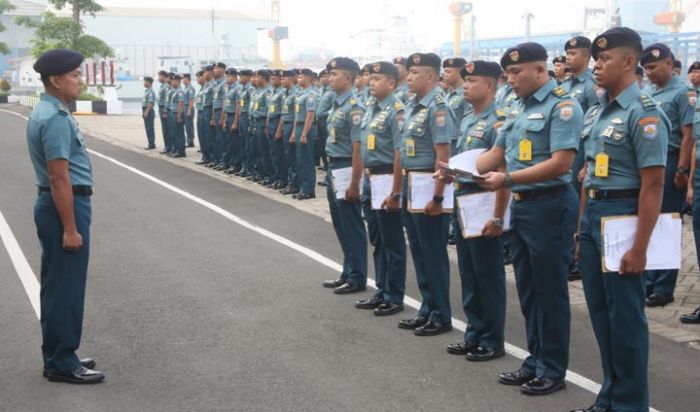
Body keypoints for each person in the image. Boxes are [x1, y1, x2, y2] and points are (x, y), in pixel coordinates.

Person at [570, 27, 670, 412]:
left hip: (624, 219)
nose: (597, 66)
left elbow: (654, 185)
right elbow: (588, 175)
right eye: (596, 59)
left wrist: (640, 247)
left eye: (605, 59)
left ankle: (630, 404)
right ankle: (609, 396)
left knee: (625, 320)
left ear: (629, 62)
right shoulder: (597, 111)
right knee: (601, 315)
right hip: (595, 217)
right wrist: (582, 230)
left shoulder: (644, 114)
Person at [476, 42, 583, 396]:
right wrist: (458, 173)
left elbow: (561, 164)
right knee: (528, 289)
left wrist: (506, 179)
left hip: (550, 205)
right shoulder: (516, 108)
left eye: (516, 72)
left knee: (549, 291)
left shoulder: (563, 107)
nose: (510, 79)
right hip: (522, 206)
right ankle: (535, 360)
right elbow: (496, 153)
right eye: (507, 73)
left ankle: (552, 368)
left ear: (540, 70)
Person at [27, 48, 104, 384]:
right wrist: (71, 228)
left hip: (58, 204)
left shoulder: (49, 110)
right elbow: (59, 176)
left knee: (57, 286)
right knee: (66, 288)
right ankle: (61, 362)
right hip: (64, 206)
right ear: (56, 80)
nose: (80, 80)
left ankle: (59, 353)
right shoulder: (54, 118)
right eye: (74, 75)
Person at [442, 60, 508, 361]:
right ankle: (474, 332)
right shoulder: (469, 118)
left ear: (491, 85)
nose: (465, 85)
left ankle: (492, 339)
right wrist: (450, 172)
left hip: (484, 201)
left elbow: (504, 171)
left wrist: (498, 216)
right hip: (464, 200)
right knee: (469, 271)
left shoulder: (500, 121)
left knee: (487, 274)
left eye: (473, 80)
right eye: (464, 80)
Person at [395, 52, 455, 337]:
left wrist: (438, 197)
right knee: (419, 252)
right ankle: (427, 308)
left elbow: (443, 157)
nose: (408, 77)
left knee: (433, 254)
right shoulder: (412, 106)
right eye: (409, 72)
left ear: (431, 77)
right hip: (411, 184)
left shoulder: (438, 109)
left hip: (428, 186)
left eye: (415, 72)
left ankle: (441, 314)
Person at [641, 43, 694, 307]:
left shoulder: (683, 92)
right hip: (650, 163)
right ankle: (649, 280)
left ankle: (664, 287)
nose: (648, 72)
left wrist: (682, 169)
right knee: (650, 222)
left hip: (672, 162)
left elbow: (688, 135)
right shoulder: (647, 92)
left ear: (669, 64)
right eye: (646, 68)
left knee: (667, 225)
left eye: (652, 67)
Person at [354, 61, 406, 315]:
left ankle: (394, 295)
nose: (371, 82)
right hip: (371, 179)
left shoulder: (397, 111)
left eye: (377, 79)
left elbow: (399, 153)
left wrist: (396, 191)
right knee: (377, 239)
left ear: (391, 83)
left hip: (387, 177)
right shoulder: (370, 108)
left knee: (392, 241)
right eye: (370, 78)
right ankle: (382, 289)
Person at [320, 57, 368, 294]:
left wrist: (355, 182)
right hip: (334, 167)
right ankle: (348, 271)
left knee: (351, 224)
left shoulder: (354, 106)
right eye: (330, 74)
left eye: (335, 74)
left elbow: (358, 148)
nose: (330, 78)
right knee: (340, 224)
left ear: (348, 78)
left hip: (347, 167)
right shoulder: (337, 103)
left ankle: (358, 276)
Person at [562, 35, 598, 281]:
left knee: (578, 205)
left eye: (573, 54)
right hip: (566, 150)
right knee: (568, 204)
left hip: (582, 152)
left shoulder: (592, 84)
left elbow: (597, 118)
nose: (568, 57)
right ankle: (568, 253)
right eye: (567, 53)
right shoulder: (565, 85)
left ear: (586, 56)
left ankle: (577, 257)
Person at [290, 68, 318, 200]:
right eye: (298, 77)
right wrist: (295, 132)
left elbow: (310, 116)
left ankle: (308, 189)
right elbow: (297, 115)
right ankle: (302, 187)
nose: (299, 79)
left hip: (307, 128)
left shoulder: (310, 95)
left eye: (301, 77)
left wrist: (304, 134)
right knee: (300, 160)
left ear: (309, 78)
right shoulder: (300, 94)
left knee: (307, 160)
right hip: (299, 127)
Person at [278, 70, 299, 194]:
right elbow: (283, 113)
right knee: (287, 155)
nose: (282, 81)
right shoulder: (285, 94)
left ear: (291, 79)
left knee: (292, 157)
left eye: (284, 79)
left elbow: (297, 115)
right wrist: (280, 129)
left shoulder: (295, 94)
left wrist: (293, 133)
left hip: (291, 126)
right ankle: (290, 182)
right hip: (285, 125)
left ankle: (294, 184)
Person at [221, 68, 240, 174]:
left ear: (234, 77)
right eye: (226, 76)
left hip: (233, 116)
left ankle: (235, 164)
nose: (227, 78)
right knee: (228, 142)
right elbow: (225, 103)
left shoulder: (237, 89)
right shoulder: (227, 88)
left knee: (234, 143)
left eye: (229, 76)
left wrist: (235, 122)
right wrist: (223, 119)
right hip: (228, 116)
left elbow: (238, 106)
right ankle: (228, 162)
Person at [196, 66, 214, 165]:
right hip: (201, 111)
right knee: (202, 135)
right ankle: (205, 156)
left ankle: (210, 157)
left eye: (205, 72)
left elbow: (213, 102)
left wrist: (212, 116)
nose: (204, 74)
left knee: (208, 136)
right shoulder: (205, 87)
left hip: (207, 112)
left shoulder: (212, 85)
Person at [168, 74, 186, 158]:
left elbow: (180, 104)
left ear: (178, 81)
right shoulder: (174, 91)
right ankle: (176, 148)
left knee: (179, 133)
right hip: (172, 112)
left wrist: (179, 116)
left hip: (176, 113)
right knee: (174, 132)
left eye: (173, 81)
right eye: (171, 81)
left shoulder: (180, 91)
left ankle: (181, 150)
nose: (172, 82)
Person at [156, 70, 170, 154]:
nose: (158, 78)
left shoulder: (166, 87)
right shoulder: (162, 86)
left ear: (164, 76)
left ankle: (168, 146)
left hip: (164, 109)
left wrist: (165, 110)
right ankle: (167, 145)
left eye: (160, 76)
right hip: (161, 108)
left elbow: (166, 100)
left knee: (166, 129)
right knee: (164, 128)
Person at [142, 76, 156, 150]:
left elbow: (151, 103)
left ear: (149, 82)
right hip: (145, 109)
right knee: (147, 128)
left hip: (148, 110)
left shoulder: (150, 92)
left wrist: (146, 111)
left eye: (145, 81)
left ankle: (151, 143)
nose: (144, 83)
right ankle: (150, 142)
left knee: (150, 127)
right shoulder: (147, 91)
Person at [182, 73, 196, 148]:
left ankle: (190, 141)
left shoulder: (190, 88)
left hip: (188, 107)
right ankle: (188, 140)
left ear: (187, 79)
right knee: (186, 126)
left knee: (189, 126)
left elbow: (191, 99)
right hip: (184, 107)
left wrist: (189, 110)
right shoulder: (185, 88)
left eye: (184, 79)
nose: (182, 80)